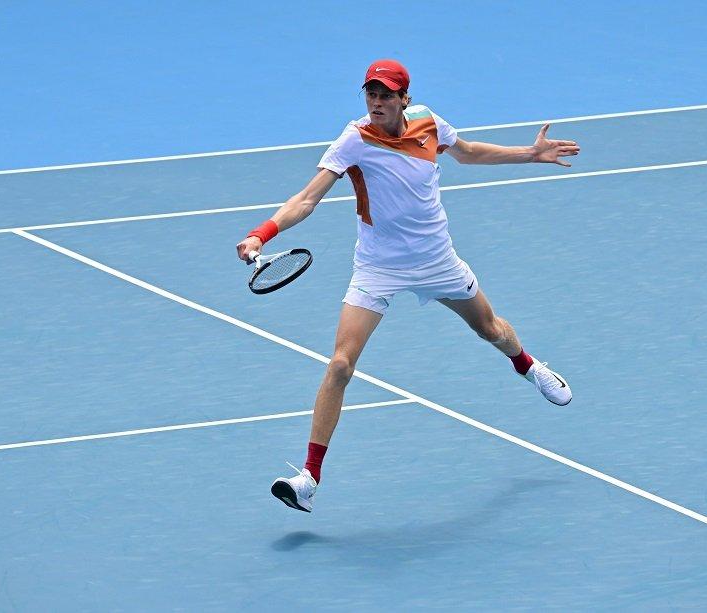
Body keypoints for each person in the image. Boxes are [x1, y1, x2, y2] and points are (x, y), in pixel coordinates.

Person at [236, 59, 580, 513]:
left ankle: (528, 366)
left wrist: (529, 154)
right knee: (340, 364)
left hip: (437, 259)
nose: (376, 102)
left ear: (404, 99)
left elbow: (469, 151)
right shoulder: (354, 140)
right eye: (370, 94)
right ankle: (308, 478)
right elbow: (307, 198)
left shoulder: (428, 122)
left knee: (491, 329)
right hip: (378, 267)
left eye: (385, 95)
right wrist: (263, 232)